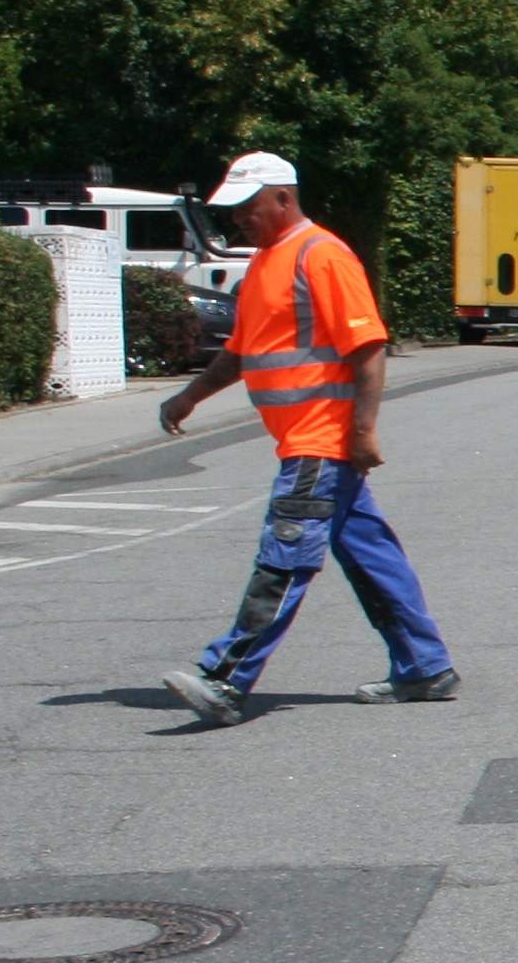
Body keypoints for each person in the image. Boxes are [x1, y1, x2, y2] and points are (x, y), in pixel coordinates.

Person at [153, 152, 456, 728]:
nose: (240, 218)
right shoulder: (267, 262)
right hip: (306, 441)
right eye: (234, 210)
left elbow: (368, 347)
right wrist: (188, 397)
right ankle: (425, 667)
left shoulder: (322, 256)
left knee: (285, 560)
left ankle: (227, 679)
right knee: (372, 559)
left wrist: (364, 432)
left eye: (249, 206)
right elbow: (240, 353)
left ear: (284, 199)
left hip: (322, 440)